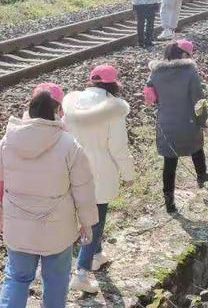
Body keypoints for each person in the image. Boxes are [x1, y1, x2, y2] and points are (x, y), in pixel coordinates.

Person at [0, 83, 98, 308]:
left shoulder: (7, 142)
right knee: (56, 280)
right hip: (57, 228)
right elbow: (84, 190)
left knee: (17, 278)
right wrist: (87, 223)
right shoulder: (69, 145)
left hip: (18, 226)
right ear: (56, 112)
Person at [62, 65, 136, 294]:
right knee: (97, 220)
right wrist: (128, 174)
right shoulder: (112, 108)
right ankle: (82, 272)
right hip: (100, 170)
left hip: (73, 166)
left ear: (91, 81)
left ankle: (96, 253)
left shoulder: (73, 102)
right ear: (113, 84)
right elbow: (118, 148)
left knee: (82, 214)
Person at [144, 40, 208, 213]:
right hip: (188, 121)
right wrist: (203, 121)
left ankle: (169, 202)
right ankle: (202, 175)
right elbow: (199, 101)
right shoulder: (190, 71)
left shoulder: (155, 72)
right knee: (197, 147)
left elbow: (150, 98)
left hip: (166, 123)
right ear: (184, 55)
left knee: (169, 162)